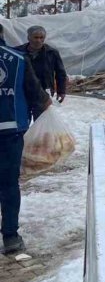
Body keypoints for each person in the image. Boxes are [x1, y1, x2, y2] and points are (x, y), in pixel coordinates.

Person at [0, 24, 51, 254]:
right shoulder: (19, 59)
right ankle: (10, 236)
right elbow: (37, 95)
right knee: (9, 184)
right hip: (10, 133)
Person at [16, 25, 67, 104]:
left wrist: (61, 91)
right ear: (29, 38)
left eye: (41, 37)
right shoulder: (17, 52)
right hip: (23, 91)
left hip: (44, 92)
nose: (39, 40)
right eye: (36, 37)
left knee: (43, 115)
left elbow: (60, 73)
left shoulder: (52, 53)